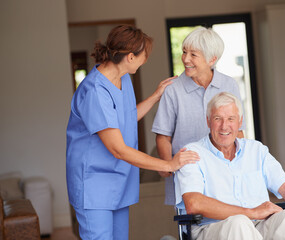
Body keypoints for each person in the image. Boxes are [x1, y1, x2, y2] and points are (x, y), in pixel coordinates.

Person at [66, 25, 199, 240]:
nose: (145, 60)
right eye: (144, 55)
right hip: (94, 186)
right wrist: (168, 164)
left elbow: (125, 118)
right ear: (130, 57)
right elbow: (118, 149)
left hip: (118, 181)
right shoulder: (95, 91)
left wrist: (156, 95)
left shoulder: (123, 78)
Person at [174, 92, 285, 240]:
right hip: (212, 229)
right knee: (239, 222)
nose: (224, 126)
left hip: (258, 226)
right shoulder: (192, 153)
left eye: (231, 119)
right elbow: (194, 203)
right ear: (208, 121)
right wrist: (250, 212)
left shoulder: (256, 150)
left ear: (240, 121)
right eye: (217, 118)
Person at [152, 27, 246, 205]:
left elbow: (238, 132)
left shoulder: (228, 84)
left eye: (193, 55)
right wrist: (167, 166)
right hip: (187, 176)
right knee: (193, 229)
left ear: (212, 59)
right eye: (184, 52)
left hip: (223, 174)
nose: (186, 59)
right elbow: (163, 136)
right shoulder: (173, 90)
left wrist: (238, 165)